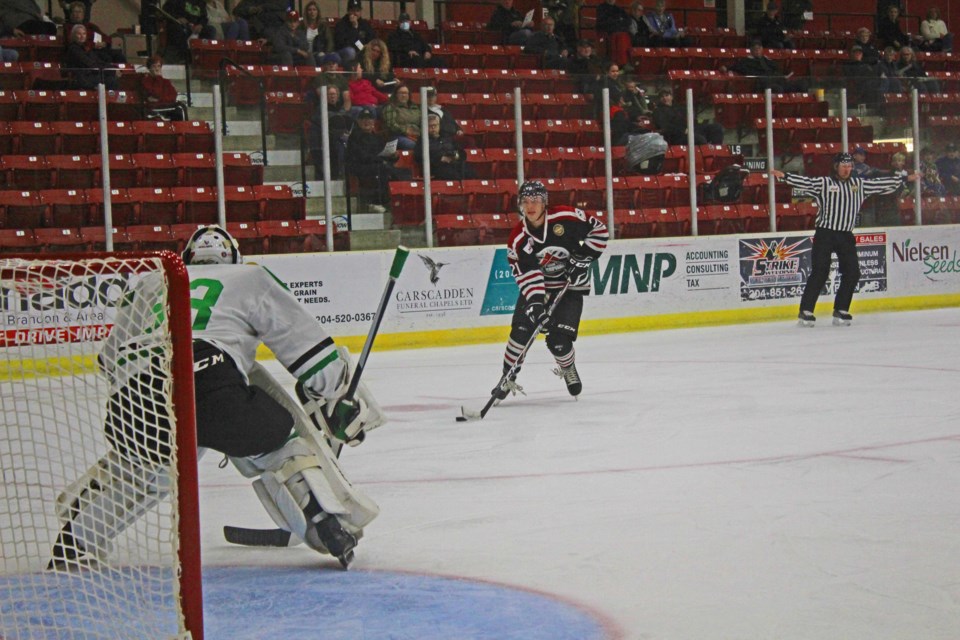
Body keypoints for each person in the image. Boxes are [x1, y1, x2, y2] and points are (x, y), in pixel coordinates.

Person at [48, 226, 385, 571]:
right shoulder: (249, 276)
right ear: (235, 256)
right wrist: (337, 397)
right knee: (279, 441)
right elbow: (311, 356)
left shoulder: (152, 282)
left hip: (132, 394)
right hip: (210, 377)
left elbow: (107, 361)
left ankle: (74, 540)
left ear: (187, 258)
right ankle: (326, 524)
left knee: (150, 469)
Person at [492, 180, 608, 401]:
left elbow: (599, 231)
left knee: (559, 342)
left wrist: (582, 259)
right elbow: (528, 273)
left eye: (536, 200)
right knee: (520, 333)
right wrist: (536, 304)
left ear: (544, 202)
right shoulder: (519, 238)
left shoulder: (566, 217)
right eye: (526, 201)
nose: (531, 206)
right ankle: (506, 378)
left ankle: (568, 367)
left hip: (570, 287)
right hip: (539, 289)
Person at [771, 153, 919, 327]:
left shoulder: (859, 184)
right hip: (825, 233)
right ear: (836, 167)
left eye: (849, 166)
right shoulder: (825, 183)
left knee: (852, 272)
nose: (847, 169)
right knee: (820, 272)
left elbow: (879, 184)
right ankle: (806, 311)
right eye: (843, 166)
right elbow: (807, 182)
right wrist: (785, 176)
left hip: (845, 234)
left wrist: (905, 179)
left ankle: (841, 309)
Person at [345, 107, 411, 212]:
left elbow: (384, 154)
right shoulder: (354, 137)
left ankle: (403, 202)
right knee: (382, 169)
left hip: (377, 164)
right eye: (363, 119)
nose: (366, 122)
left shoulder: (377, 138)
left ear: (373, 122)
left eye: (369, 119)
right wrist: (380, 159)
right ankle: (379, 202)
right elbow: (361, 156)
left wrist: (394, 156)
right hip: (360, 167)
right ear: (358, 121)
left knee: (405, 172)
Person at [651, 88, 723, 145]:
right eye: (662, 96)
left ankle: (715, 153)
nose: (664, 98)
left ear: (671, 97)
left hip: (689, 130)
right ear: (659, 99)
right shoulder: (658, 111)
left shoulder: (678, 108)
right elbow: (665, 127)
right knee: (699, 139)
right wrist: (682, 131)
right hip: (676, 136)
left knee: (716, 128)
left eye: (666, 95)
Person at [725, 39, 801, 93]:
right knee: (778, 89)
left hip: (775, 79)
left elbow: (776, 68)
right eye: (755, 49)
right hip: (762, 84)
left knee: (799, 85)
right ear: (751, 50)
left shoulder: (766, 59)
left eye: (759, 48)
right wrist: (726, 68)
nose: (757, 51)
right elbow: (734, 66)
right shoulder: (745, 61)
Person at [415, 112, 472, 180]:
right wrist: (440, 158)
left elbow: (462, 153)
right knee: (452, 174)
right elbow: (418, 156)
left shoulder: (447, 138)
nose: (433, 128)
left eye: (435, 125)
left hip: (454, 164)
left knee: (471, 173)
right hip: (436, 167)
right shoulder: (422, 141)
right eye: (430, 126)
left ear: (439, 126)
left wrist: (456, 156)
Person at [63, 23, 118, 89]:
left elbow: (97, 61)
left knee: (111, 78)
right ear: (73, 35)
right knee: (111, 80)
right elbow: (89, 64)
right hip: (81, 78)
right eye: (79, 34)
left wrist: (112, 68)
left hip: (90, 75)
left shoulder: (85, 47)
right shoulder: (73, 49)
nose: (82, 36)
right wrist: (111, 71)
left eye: (84, 34)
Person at [140, 55, 187, 120]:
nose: (157, 69)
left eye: (159, 66)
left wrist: (160, 99)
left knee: (180, 107)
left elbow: (173, 95)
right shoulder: (146, 81)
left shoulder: (166, 82)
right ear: (149, 68)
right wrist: (158, 78)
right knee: (179, 108)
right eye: (154, 66)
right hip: (153, 108)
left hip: (165, 105)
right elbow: (156, 93)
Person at [381, 84, 420, 150]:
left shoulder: (415, 108)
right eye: (401, 93)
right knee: (416, 146)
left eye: (406, 93)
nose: (404, 95)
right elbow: (391, 125)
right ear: (396, 94)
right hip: (397, 136)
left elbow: (422, 123)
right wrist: (405, 130)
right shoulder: (391, 107)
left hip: (416, 135)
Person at [596, 0, 632, 67]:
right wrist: (619, 21)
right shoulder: (601, 8)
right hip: (607, 32)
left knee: (624, 35)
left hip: (618, 31)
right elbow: (604, 23)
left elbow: (628, 20)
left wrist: (617, 22)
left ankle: (624, 61)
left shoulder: (618, 8)